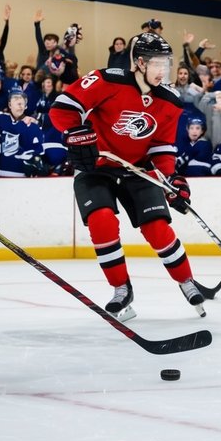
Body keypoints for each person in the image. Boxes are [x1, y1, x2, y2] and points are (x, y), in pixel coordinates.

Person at [49, 32, 207, 322]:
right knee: (102, 222)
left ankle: (186, 281)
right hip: (96, 168)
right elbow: (63, 108)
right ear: (139, 63)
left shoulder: (170, 101)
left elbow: (161, 148)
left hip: (137, 170)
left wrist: (170, 180)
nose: (164, 71)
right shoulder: (107, 80)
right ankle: (121, 288)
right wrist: (77, 133)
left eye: (167, 64)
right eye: (157, 64)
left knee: (157, 228)